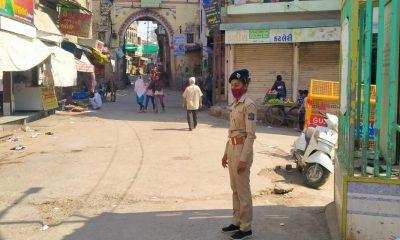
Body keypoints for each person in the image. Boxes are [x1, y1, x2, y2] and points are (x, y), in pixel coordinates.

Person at [221, 69, 256, 240]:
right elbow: (232, 132)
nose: (234, 88)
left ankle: (246, 227)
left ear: (245, 85)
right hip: (233, 148)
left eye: (237, 85)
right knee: (234, 189)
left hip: (242, 150)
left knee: (243, 191)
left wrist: (243, 159)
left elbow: (250, 135)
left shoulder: (249, 105)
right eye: (232, 85)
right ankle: (236, 221)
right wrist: (225, 154)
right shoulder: (235, 104)